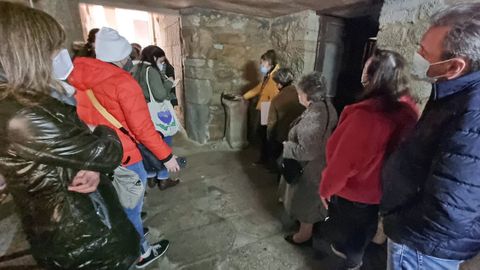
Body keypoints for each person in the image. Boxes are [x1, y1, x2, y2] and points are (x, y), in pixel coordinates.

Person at [0, 3, 139, 269]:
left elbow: (58, 153)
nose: (57, 54)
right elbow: (106, 153)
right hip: (84, 238)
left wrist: (87, 161)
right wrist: (101, 130)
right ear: (28, 53)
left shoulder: (16, 103)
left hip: (59, 225)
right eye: (51, 47)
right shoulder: (24, 116)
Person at [68, 27, 180, 268]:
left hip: (98, 152)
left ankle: (131, 233)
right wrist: (167, 155)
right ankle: (140, 251)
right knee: (131, 205)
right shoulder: (122, 82)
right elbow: (142, 128)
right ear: (121, 56)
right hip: (124, 154)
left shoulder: (78, 72)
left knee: (116, 201)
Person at [381, 3, 480, 269]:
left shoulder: (473, 113)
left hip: (420, 247)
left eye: (425, 52)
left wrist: (398, 223)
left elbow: (451, 210)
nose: (417, 55)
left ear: (455, 66)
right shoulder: (457, 92)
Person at [319, 49, 419, 270]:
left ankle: (351, 264)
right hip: (384, 192)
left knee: (350, 241)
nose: (362, 73)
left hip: (358, 194)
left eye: (366, 69)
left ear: (374, 77)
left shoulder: (367, 116)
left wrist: (326, 188)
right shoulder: (409, 110)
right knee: (365, 233)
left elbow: (346, 162)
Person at [281, 72, 338, 245]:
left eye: (300, 93)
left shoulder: (316, 116)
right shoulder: (326, 106)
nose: (298, 95)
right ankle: (309, 226)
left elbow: (309, 151)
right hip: (320, 164)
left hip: (311, 168)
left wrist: (286, 147)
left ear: (308, 96)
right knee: (311, 201)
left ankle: (304, 235)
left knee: (307, 203)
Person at [132, 45, 180, 190]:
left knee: (148, 148)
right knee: (164, 145)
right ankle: (164, 178)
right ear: (154, 58)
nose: (163, 63)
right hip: (157, 115)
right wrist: (169, 83)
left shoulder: (136, 69)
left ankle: (151, 177)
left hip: (143, 113)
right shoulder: (151, 71)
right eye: (161, 60)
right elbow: (159, 95)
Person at [243, 49, 280, 164]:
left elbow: (275, 97)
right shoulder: (269, 75)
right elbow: (260, 88)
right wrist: (245, 96)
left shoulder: (274, 78)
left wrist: (270, 114)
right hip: (265, 107)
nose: (261, 65)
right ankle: (264, 158)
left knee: (266, 135)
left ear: (269, 63)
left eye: (262, 62)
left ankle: (268, 160)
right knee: (263, 134)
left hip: (268, 109)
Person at [267, 68, 305, 166]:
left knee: (280, 159)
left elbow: (271, 123)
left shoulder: (276, 100)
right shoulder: (301, 94)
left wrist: (269, 137)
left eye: (276, 83)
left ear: (280, 84)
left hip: (283, 135)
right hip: (299, 133)